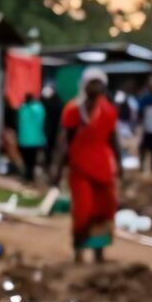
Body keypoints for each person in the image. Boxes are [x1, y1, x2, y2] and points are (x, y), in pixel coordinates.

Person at [52, 68, 120, 263]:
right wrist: (57, 168)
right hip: (80, 167)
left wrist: (119, 164)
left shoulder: (108, 111)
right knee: (83, 209)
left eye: (98, 83)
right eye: (92, 82)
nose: (95, 87)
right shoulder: (73, 110)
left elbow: (113, 138)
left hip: (102, 168)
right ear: (84, 85)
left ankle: (99, 251)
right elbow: (64, 141)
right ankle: (79, 249)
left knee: (104, 208)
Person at [3, 88, 50, 183]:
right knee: (31, 161)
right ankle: (30, 177)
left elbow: (17, 122)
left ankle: (28, 177)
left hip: (25, 140)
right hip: (35, 140)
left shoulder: (22, 109)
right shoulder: (38, 109)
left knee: (27, 161)